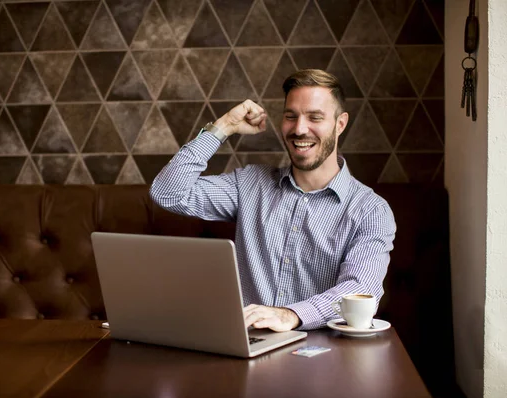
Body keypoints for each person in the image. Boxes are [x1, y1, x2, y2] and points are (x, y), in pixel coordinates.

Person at [149, 69, 396, 332]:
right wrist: (223, 127)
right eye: (291, 116)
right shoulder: (249, 184)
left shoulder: (371, 210)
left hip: (322, 355)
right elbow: (168, 192)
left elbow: (360, 289)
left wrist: (290, 315)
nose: (300, 129)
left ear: (340, 124)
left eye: (315, 117)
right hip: (247, 349)